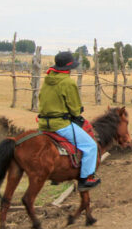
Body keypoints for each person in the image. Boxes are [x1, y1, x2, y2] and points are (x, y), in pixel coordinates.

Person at [38, 51, 100, 191]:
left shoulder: (47, 80)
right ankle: (85, 179)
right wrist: (77, 110)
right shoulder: (68, 82)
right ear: (69, 67)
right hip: (60, 124)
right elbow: (75, 110)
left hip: (43, 124)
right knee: (91, 146)